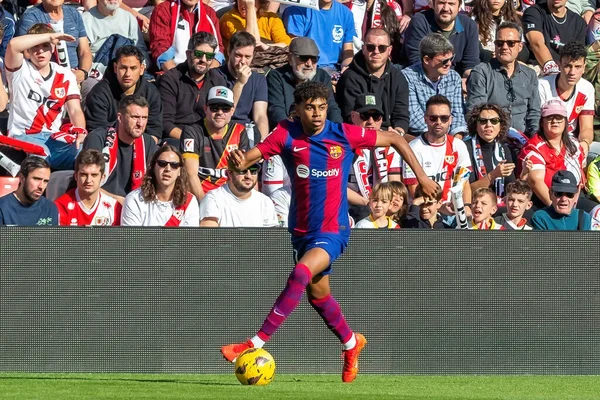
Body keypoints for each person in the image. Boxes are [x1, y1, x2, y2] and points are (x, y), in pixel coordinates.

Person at [220, 81, 440, 383]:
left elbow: (394, 139)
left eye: (322, 107)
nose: (317, 113)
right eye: (310, 107)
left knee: (300, 273)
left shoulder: (343, 134)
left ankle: (254, 343)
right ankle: (352, 343)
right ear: (298, 110)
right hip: (301, 231)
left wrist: (423, 178)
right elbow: (247, 159)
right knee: (318, 294)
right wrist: (238, 161)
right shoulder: (286, 133)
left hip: (334, 230)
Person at [5, 24, 86, 171]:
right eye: (35, 46)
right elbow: (13, 45)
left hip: (53, 137)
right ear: (27, 50)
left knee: (83, 157)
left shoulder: (65, 74)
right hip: (22, 135)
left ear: (53, 48)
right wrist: (51, 37)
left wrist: (80, 129)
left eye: (46, 46)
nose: (40, 51)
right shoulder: (20, 70)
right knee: (41, 153)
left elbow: (75, 110)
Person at [466, 22, 540, 136]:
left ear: (520, 46)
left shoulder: (530, 75)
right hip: (492, 139)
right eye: (500, 43)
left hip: (523, 140)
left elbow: (534, 114)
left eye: (511, 43)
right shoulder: (481, 72)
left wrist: (535, 140)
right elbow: (476, 113)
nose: (505, 47)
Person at [83, 95, 158, 203]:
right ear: (120, 117)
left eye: (144, 118)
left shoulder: (148, 143)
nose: (140, 124)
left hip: (136, 206)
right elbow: (85, 183)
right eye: (135, 117)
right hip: (100, 203)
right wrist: (117, 200)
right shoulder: (98, 139)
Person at [518, 100, 590, 211]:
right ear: (542, 122)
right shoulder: (533, 147)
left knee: (597, 212)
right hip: (548, 202)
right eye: (549, 117)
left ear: (566, 122)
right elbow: (535, 181)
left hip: (574, 197)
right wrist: (557, 208)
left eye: (559, 117)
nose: (555, 121)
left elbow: (580, 173)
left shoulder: (574, 144)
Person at [402, 94, 472, 209]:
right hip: (425, 210)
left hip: (454, 209)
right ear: (425, 119)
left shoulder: (459, 145)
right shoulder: (413, 148)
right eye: (433, 118)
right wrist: (439, 208)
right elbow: (414, 189)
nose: (439, 122)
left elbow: (465, 183)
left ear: (450, 120)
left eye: (444, 118)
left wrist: (467, 206)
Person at [181, 86, 249, 201]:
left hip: (230, 197)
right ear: (205, 109)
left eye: (225, 108)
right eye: (214, 108)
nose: (220, 112)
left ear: (232, 111)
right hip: (200, 196)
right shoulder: (192, 131)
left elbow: (245, 174)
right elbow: (190, 174)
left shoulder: (239, 131)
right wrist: (205, 205)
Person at [337, 28, 409, 136]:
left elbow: (401, 115)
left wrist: (398, 132)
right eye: (371, 47)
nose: (376, 52)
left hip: (391, 135)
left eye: (382, 48)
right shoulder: (350, 77)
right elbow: (350, 117)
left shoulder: (398, 77)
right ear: (363, 49)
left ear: (389, 50)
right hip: (359, 134)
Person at [85, 45, 163, 144]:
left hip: (143, 147)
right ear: (115, 67)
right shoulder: (99, 93)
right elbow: (97, 131)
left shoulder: (151, 93)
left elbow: (155, 131)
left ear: (142, 69)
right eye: (123, 68)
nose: (127, 74)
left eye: (133, 68)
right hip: (108, 147)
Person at [158, 32, 227, 140]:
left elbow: (223, 118)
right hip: (177, 139)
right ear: (188, 54)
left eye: (209, 56)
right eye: (199, 54)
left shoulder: (218, 80)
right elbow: (166, 124)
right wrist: (193, 141)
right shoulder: (170, 79)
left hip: (208, 139)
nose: (203, 60)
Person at [347, 93, 402, 222]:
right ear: (354, 117)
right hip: (348, 206)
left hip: (381, 206)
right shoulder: (342, 144)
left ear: (381, 119)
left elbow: (395, 184)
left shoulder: (390, 145)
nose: (370, 121)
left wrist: (384, 205)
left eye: (376, 116)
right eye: (364, 116)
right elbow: (336, 187)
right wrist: (368, 203)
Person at [267, 36, 342, 130]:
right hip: (289, 132)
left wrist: (338, 130)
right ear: (290, 59)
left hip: (319, 132)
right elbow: (276, 110)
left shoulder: (322, 76)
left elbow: (331, 107)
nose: (309, 64)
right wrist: (291, 133)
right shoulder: (276, 76)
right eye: (303, 58)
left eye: (314, 59)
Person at [401, 33, 467, 137]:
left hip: (450, 138)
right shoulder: (407, 77)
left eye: (451, 58)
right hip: (421, 138)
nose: (449, 63)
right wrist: (439, 137)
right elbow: (414, 117)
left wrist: (455, 139)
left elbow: (458, 114)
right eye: (444, 61)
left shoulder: (454, 77)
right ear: (427, 60)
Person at [16, 0, 93, 85]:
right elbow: (25, 53)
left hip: (75, 74)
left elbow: (85, 51)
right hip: (45, 77)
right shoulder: (31, 16)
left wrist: (83, 72)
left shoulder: (74, 13)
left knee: (92, 87)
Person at [538, 42, 594, 155]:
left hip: (572, 142)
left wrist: (585, 143)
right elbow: (538, 125)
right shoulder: (542, 86)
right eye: (567, 66)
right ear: (559, 65)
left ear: (584, 67)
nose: (572, 72)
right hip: (546, 141)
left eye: (577, 67)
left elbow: (587, 128)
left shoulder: (587, 88)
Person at [121, 145, 199, 226]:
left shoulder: (190, 201)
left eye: (174, 165)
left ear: (180, 171)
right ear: (153, 167)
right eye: (162, 163)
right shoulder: (135, 199)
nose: (168, 169)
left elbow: (189, 238)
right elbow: (132, 238)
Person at [213, 32, 268, 144]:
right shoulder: (215, 75)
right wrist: (240, 83)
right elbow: (224, 111)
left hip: (246, 131)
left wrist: (262, 144)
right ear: (229, 52)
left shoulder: (258, 80)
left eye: (247, 57)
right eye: (238, 55)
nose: (243, 61)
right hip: (221, 129)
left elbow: (260, 116)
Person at [401, 0, 480, 78]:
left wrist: (471, 81)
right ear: (433, 4)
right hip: (421, 79)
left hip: (457, 82)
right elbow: (417, 62)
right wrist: (455, 82)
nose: (446, 8)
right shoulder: (419, 22)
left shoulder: (469, 26)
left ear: (459, 7)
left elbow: (470, 64)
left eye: (451, 4)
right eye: (441, 3)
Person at [282, 0, 355, 74]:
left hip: (335, 69)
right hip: (308, 67)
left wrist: (346, 68)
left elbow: (348, 50)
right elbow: (296, 48)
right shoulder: (296, 10)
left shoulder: (346, 13)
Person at [463, 104, 516, 204]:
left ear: (500, 126)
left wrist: (524, 175)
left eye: (494, 121)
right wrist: (493, 175)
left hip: (499, 205)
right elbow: (468, 191)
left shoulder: (504, 149)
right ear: (476, 125)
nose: (488, 125)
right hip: (475, 205)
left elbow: (511, 189)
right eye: (483, 121)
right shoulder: (465, 147)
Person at [149, 0, 223, 72]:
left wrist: (209, 75)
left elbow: (218, 50)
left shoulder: (210, 13)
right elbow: (160, 48)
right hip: (174, 72)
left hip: (204, 72)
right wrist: (176, 77)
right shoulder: (163, 10)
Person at [54, 149, 122, 226]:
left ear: (102, 177)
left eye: (94, 175)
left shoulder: (114, 207)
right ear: (76, 176)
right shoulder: (61, 206)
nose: (88, 180)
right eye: (84, 174)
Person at [199, 162, 278, 227]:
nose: (248, 176)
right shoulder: (213, 198)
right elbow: (209, 239)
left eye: (254, 170)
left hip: (257, 246)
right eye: (242, 171)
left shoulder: (265, 202)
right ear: (230, 173)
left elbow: (271, 241)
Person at [82, 0, 147, 76]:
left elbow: (141, 49)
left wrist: (140, 65)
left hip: (130, 73)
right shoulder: (85, 20)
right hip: (98, 74)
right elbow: (82, 55)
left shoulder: (129, 18)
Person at [522, 0, 586, 74]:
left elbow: (578, 54)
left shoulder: (578, 21)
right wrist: (551, 67)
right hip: (539, 68)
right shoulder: (533, 12)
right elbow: (536, 43)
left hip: (566, 72)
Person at [0, 156, 58, 225]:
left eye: (45, 181)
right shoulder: (3, 208)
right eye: (37, 179)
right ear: (22, 178)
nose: (41, 186)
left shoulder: (50, 208)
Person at [219, 0, 291, 50]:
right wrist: (250, 8)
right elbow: (248, 44)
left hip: (269, 62)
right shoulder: (229, 19)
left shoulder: (271, 18)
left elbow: (286, 45)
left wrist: (265, 46)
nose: (244, 3)